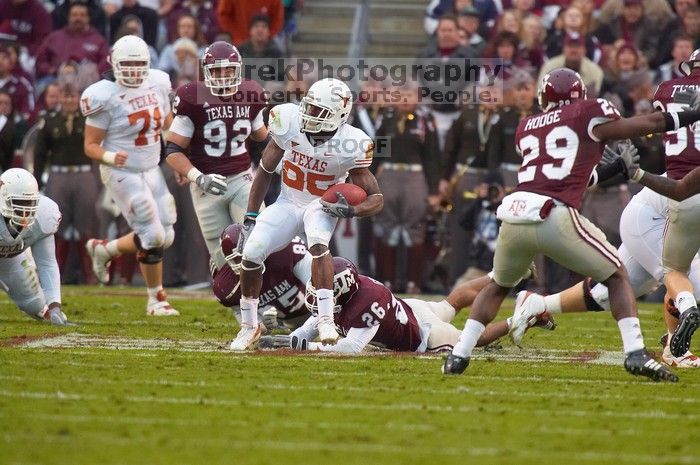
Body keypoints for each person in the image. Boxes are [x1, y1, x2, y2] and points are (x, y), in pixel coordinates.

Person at [441, 67, 700, 382]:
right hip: (554, 215)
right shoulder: (587, 113)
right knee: (618, 275)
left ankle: (459, 355)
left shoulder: (527, 127)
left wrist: (615, 168)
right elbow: (651, 123)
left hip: (515, 215)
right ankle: (635, 354)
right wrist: (691, 115)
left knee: (498, 286)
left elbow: (566, 174)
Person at [234, 77, 384, 351]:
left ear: (338, 115)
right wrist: (250, 216)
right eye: (309, 107)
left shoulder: (352, 143)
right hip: (288, 201)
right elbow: (265, 171)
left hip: (320, 204)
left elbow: (376, 198)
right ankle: (249, 325)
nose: (309, 114)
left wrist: (352, 210)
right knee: (251, 252)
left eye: (319, 111)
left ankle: (325, 319)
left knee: (317, 241)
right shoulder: (288, 121)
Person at [263, 257, 554, 354]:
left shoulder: (364, 303)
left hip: (423, 333)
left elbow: (351, 347)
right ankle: (504, 272)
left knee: (475, 338)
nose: (317, 293)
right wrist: (296, 337)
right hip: (410, 309)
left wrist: (308, 347)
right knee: (452, 302)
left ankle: (522, 316)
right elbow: (320, 318)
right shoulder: (351, 288)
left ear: (340, 287)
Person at [81, 35, 178, 316]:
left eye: (139, 64)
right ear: (114, 63)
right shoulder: (103, 95)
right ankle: (156, 299)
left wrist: (176, 161)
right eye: (128, 64)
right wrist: (111, 157)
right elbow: (89, 145)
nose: (134, 70)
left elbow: (166, 125)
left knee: (167, 234)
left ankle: (106, 249)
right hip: (121, 171)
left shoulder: (158, 83)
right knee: (152, 233)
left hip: (151, 168)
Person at [166, 41, 268, 270]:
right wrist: (197, 176)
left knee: (257, 240)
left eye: (229, 69)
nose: (223, 75)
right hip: (205, 183)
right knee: (224, 257)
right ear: (206, 72)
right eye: (217, 70)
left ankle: (262, 303)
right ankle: (237, 303)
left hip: (242, 178)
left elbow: (263, 137)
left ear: (238, 69)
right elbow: (172, 149)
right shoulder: (192, 97)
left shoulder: (251, 92)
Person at [34, 83, 99, 284]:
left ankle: (90, 276)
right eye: (66, 96)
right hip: (58, 175)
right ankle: (56, 276)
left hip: (84, 174)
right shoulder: (49, 121)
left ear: (78, 98)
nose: (70, 101)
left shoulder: (89, 119)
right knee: (56, 224)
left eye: (73, 97)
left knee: (86, 224)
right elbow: (40, 154)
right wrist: (36, 182)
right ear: (60, 97)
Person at [0, 168, 69, 325]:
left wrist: (54, 306)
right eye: (18, 203)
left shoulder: (44, 215)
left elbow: (47, 262)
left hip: (8, 260)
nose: (25, 210)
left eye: (29, 203)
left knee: (33, 303)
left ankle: (45, 311)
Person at [212, 223, 311, 332]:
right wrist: (261, 323)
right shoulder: (226, 285)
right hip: (284, 320)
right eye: (236, 259)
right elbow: (250, 327)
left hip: (311, 312)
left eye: (246, 255)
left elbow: (318, 285)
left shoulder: (285, 250)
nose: (244, 263)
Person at [34, 2, 109, 81]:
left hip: (87, 80)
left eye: (82, 15)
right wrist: (54, 70)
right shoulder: (54, 37)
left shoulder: (99, 40)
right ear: (68, 17)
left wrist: (87, 74)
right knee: (51, 90)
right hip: (55, 78)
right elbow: (40, 61)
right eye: (74, 15)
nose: (78, 18)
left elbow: (105, 63)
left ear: (88, 18)